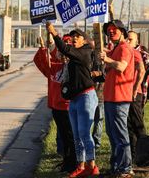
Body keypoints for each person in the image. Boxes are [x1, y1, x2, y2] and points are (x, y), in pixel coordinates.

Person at [46, 22, 100, 177]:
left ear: (84, 40)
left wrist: (54, 33)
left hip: (86, 97)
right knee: (76, 135)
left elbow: (64, 48)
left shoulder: (84, 51)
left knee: (84, 133)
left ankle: (92, 165)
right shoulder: (74, 55)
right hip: (75, 99)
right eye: (72, 37)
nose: (74, 39)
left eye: (78, 37)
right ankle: (81, 166)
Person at [33, 35, 77, 173]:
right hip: (56, 107)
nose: (64, 57)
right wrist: (42, 48)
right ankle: (67, 161)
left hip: (68, 107)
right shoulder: (54, 67)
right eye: (62, 53)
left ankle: (73, 163)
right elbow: (40, 62)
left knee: (71, 137)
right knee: (64, 136)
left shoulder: (74, 68)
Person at [100, 19, 135, 177]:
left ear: (122, 31)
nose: (111, 32)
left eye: (114, 29)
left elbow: (121, 66)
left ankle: (126, 168)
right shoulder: (115, 49)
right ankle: (116, 166)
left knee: (120, 134)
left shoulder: (125, 48)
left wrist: (106, 59)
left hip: (120, 98)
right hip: (110, 98)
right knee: (112, 134)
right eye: (109, 30)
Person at [126, 31, 146, 164]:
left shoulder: (135, 53)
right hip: (124, 94)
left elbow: (142, 71)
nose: (128, 41)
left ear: (136, 42)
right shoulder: (124, 52)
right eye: (127, 39)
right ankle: (133, 157)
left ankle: (146, 154)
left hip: (134, 94)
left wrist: (134, 89)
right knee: (129, 127)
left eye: (130, 39)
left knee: (138, 124)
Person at [88, 40, 105, 152]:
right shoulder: (87, 58)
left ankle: (96, 143)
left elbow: (105, 74)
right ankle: (89, 141)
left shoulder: (104, 59)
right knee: (88, 119)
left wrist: (96, 73)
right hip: (88, 93)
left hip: (100, 94)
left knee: (99, 119)